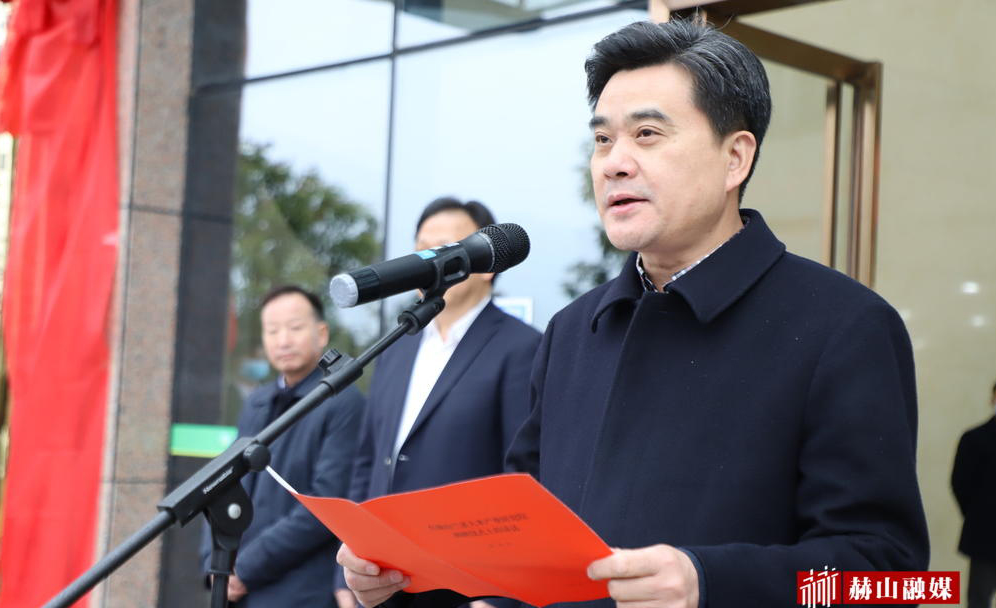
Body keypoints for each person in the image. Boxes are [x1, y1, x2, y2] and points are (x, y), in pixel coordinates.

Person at [338, 18, 929, 608]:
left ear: (735, 158)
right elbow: (522, 541)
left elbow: (893, 576)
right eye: (602, 140)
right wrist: (413, 580)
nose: (613, 163)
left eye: (647, 134)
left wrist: (708, 582)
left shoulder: (843, 326)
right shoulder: (573, 331)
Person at [334, 197, 541, 608]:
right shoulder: (395, 347)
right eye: (421, 249)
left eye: (444, 248)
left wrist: (503, 597)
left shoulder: (522, 348)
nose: (427, 261)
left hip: (469, 587)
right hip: (381, 583)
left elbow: (525, 477)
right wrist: (343, 575)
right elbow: (368, 461)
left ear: (488, 264)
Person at [201, 285, 363, 608]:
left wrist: (245, 568)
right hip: (236, 588)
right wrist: (215, 562)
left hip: (301, 590)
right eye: (272, 331)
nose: (283, 340)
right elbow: (224, 484)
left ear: (321, 333)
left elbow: (326, 502)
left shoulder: (343, 402)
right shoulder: (257, 402)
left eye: (295, 327)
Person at [951, 377, 996, 608]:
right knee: (979, 599)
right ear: (993, 400)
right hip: (984, 537)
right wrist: (978, 516)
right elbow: (960, 484)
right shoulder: (974, 439)